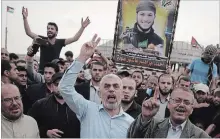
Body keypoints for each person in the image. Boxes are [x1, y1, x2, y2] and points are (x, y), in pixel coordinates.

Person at [58, 34, 134, 138]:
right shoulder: (87, 109)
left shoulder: (131, 123)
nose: (111, 89)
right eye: (106, 86)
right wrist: (82, 58)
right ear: (99, 93)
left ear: (122, 93)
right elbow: (64, 88)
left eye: (116, 86)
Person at [22, 7, 90, 72]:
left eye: (52, 29)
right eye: (48, 28)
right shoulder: (42, 40)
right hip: (42, 72)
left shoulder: (60, 42)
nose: (49, 30)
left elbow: (75, 38)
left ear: (56, 32)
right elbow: (28, 32)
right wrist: (25, 18)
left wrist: (82, 27)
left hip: (55, 72)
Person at [127, 87, 210, 138]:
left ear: (192, 109)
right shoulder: (152, 126)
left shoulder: (200, 136)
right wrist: (145, 117)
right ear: (168, 104)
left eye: (186, 102)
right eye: (177, 100)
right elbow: (132, 136)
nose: (181, 105)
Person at [28, 73, 80, 138]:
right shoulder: (40, 104)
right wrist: (45, 132)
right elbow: (29, 125)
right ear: (52, 86)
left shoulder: (79, 105)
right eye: (57, 84)